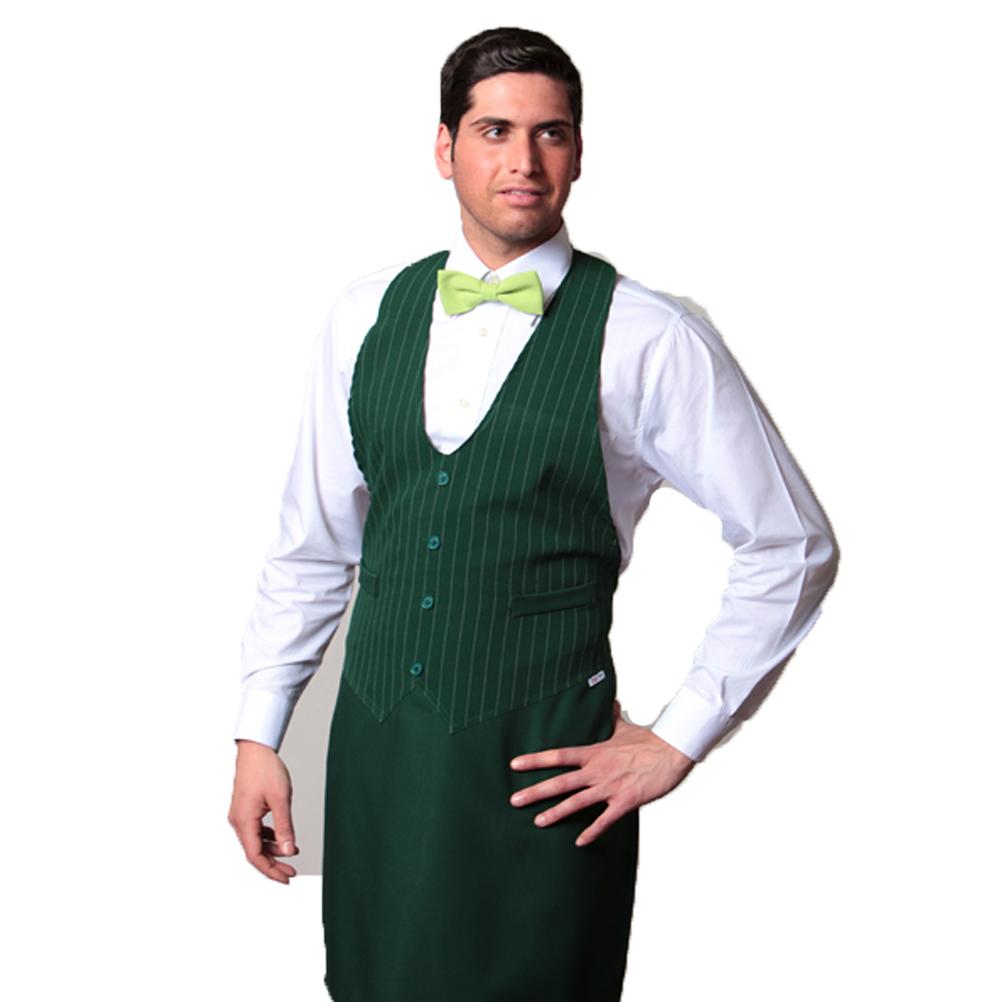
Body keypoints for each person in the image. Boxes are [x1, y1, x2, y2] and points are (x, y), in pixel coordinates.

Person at [227, 25, 839, 1002]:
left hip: (542, 776)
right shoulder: (362, 314)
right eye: (495, 131)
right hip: (381, 758)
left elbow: (790, 542)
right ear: (445, 148)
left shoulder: (647, 336)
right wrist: (260, 733)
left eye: (550, 133)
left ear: (579, 152)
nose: (524, 160)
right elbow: (313, 545)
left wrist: (680, 735)